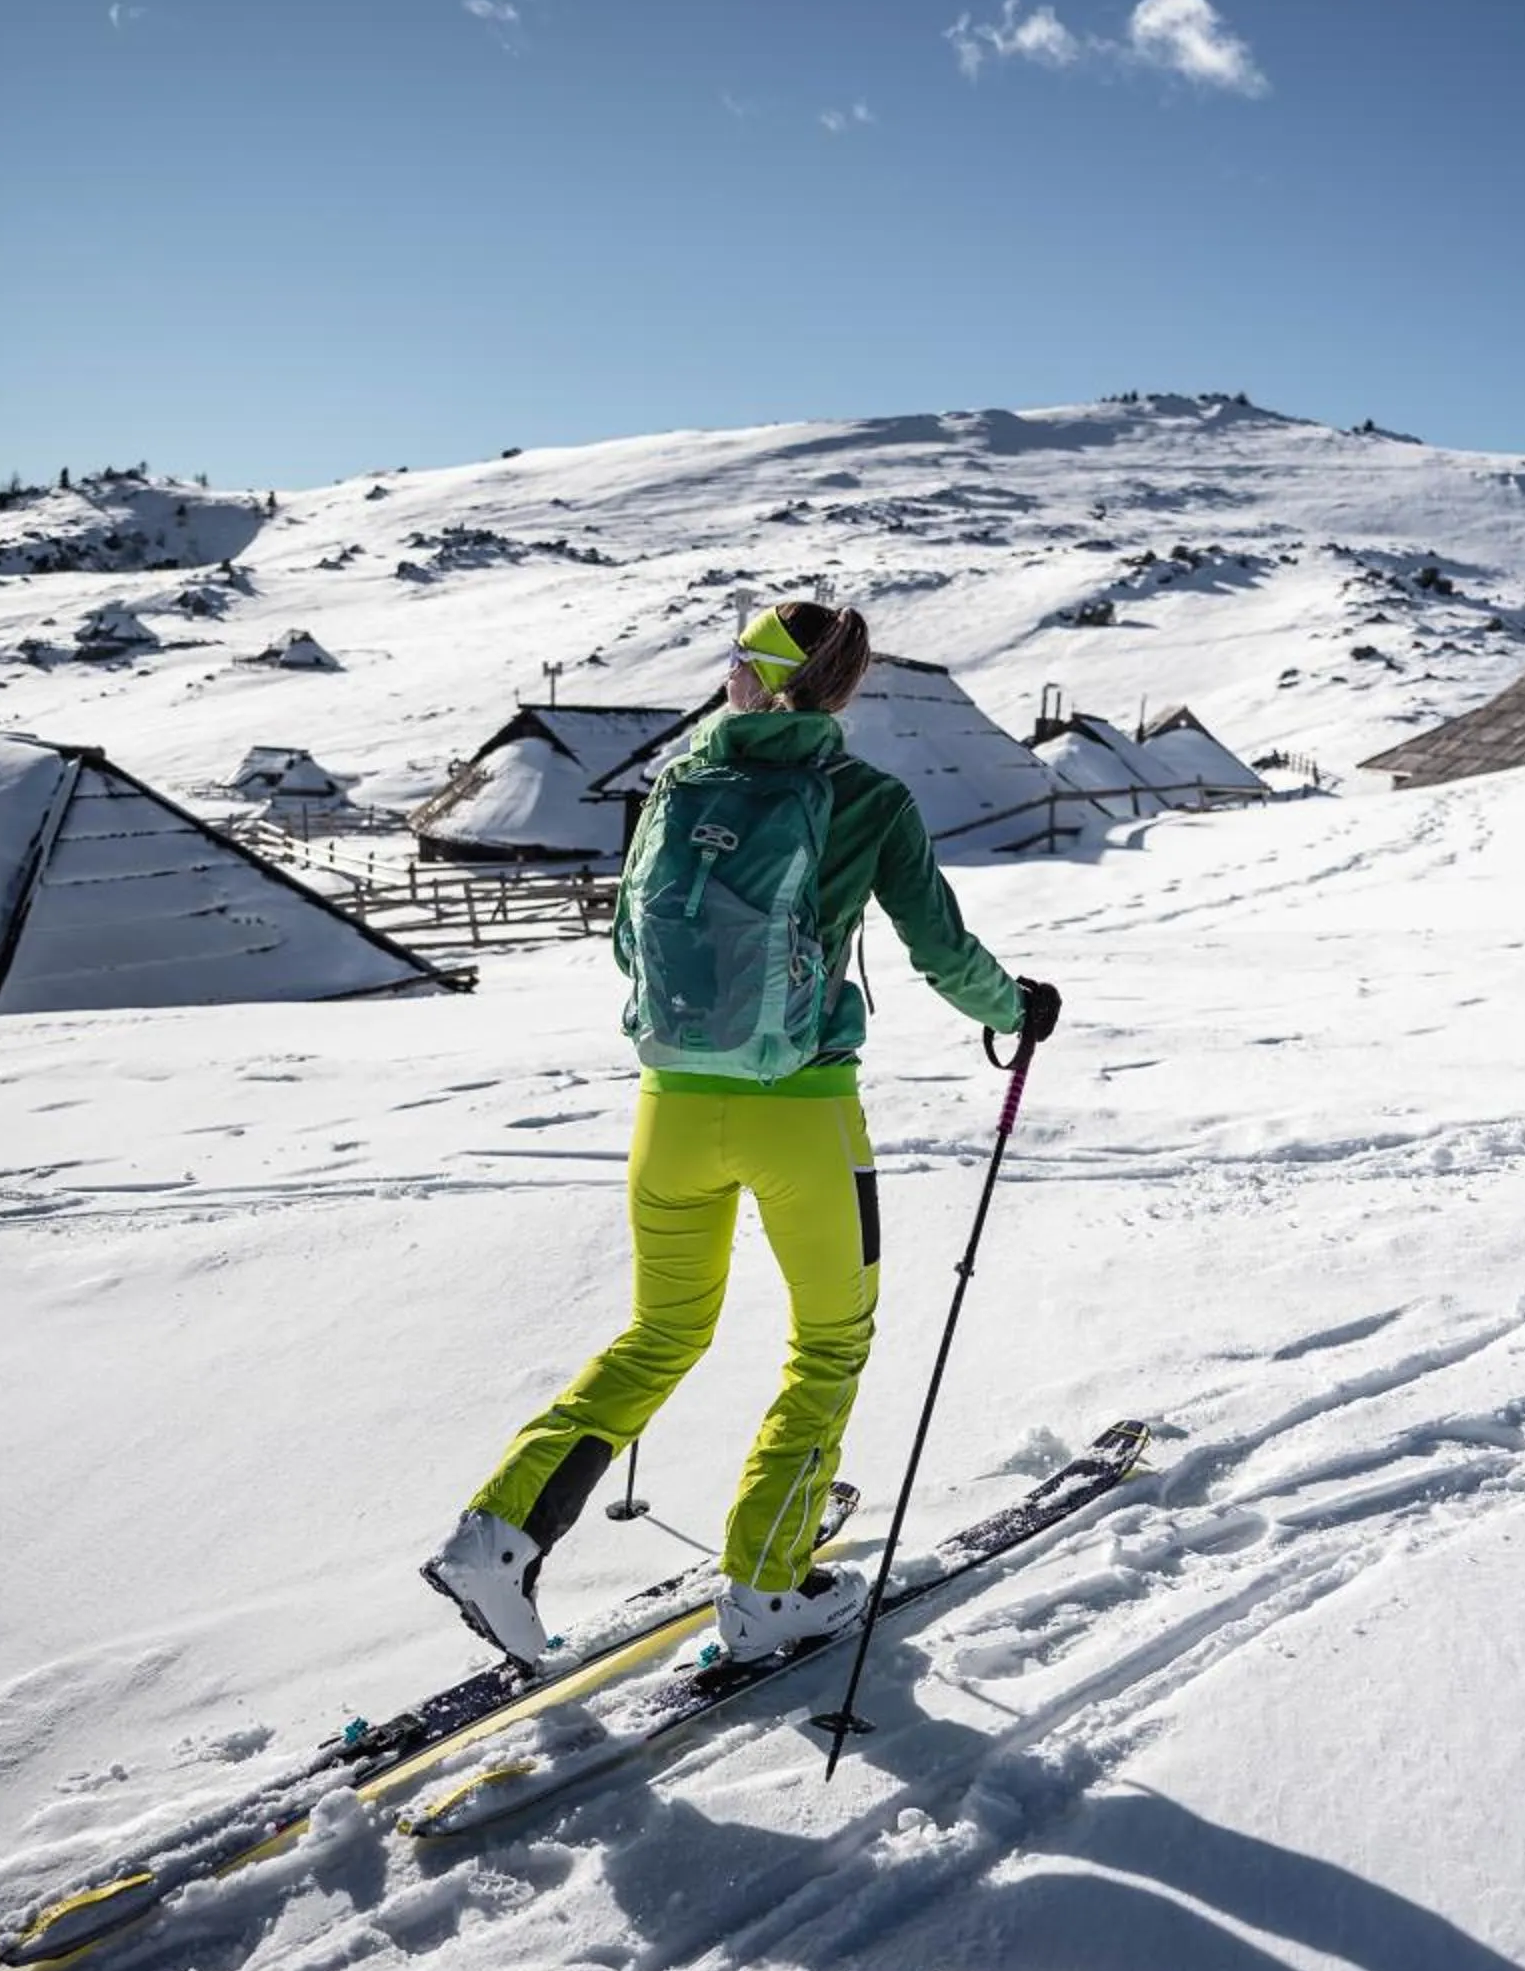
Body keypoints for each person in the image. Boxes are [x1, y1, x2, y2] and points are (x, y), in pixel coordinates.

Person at [422, 599, 1061, 1666]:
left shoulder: (679, 785)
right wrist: (1018, 1009)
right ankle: (767, 1584)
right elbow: (942, 953)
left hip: (670, 1109)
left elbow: (630, 945)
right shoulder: (866, 797)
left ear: (748, 675)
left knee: (661, 1332)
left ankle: (497, 1536)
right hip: (804, 1117)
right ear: (841, 689)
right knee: (829, 1342)